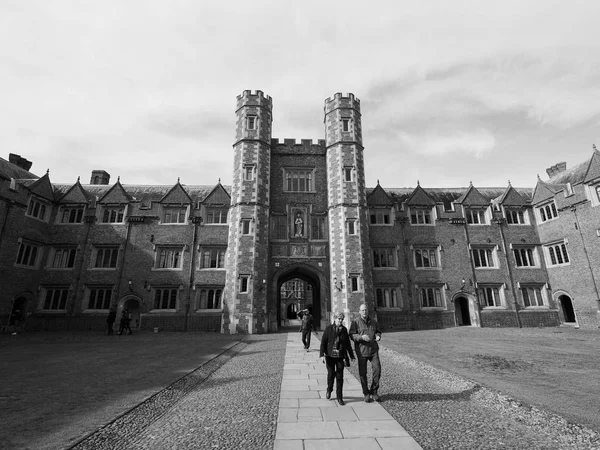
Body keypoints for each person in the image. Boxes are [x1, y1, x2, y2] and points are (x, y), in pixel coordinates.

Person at [320, 312, 355, 406]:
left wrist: (351, 355)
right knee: (331, 375)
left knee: (340, 377)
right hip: (330, 356)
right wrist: (322, 355)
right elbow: (323, 342)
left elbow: (347, 344)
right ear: (334, 319)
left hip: (340, 356)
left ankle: (339, 397)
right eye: (339, 319)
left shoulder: (344, 330)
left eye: (341, 319)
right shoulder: (328, 329)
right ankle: (329, 389)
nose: (340, 320)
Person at [349, 303, 382, 402]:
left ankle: (374, 391)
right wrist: (361, 337)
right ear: (359, 311)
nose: (364, 312)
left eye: (366, 310)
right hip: (362, 350)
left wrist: (378, 335)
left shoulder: (373, 321)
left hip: (373, 350)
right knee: (363, 373)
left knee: (377, 370)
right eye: (362, 310)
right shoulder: (355, 322)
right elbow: (351, 335)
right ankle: (366, 393)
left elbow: (378, 331)